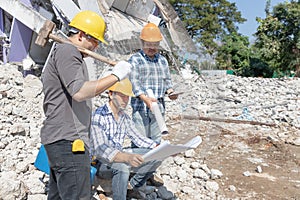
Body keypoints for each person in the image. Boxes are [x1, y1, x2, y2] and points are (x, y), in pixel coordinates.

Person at [40, 10, 131, 200]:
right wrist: (115, 76)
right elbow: (80, 91)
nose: (96, 47)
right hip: (69, 143)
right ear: (81, 35)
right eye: (95, 41)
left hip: (61, 141)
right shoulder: (68, 50)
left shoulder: (68, 55)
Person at [90, 78, 161, 200]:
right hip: (100, 163)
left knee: (157, 155)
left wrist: (158, 147)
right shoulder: (98, 116)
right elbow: (100, 150)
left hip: (120, 155)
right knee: (121, 167)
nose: (125, 100)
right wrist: (126, 157)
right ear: (111, 94)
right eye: (122, 95)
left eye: (127, 96)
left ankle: (132, 187)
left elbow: (138, 138)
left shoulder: (124, 117)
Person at [128, 22, 178, 144]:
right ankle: (140, 162)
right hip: (140, 107)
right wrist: (146, 99)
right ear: (142, 43)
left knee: (156, 140)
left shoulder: (162, 61)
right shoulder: (135, 59)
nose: (152, 48)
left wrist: (171, 92)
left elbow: (167, 81)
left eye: (155, 45)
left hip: (159, 107)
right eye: (148, 44)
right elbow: (134, 82)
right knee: (140, 140)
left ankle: (153, 162)